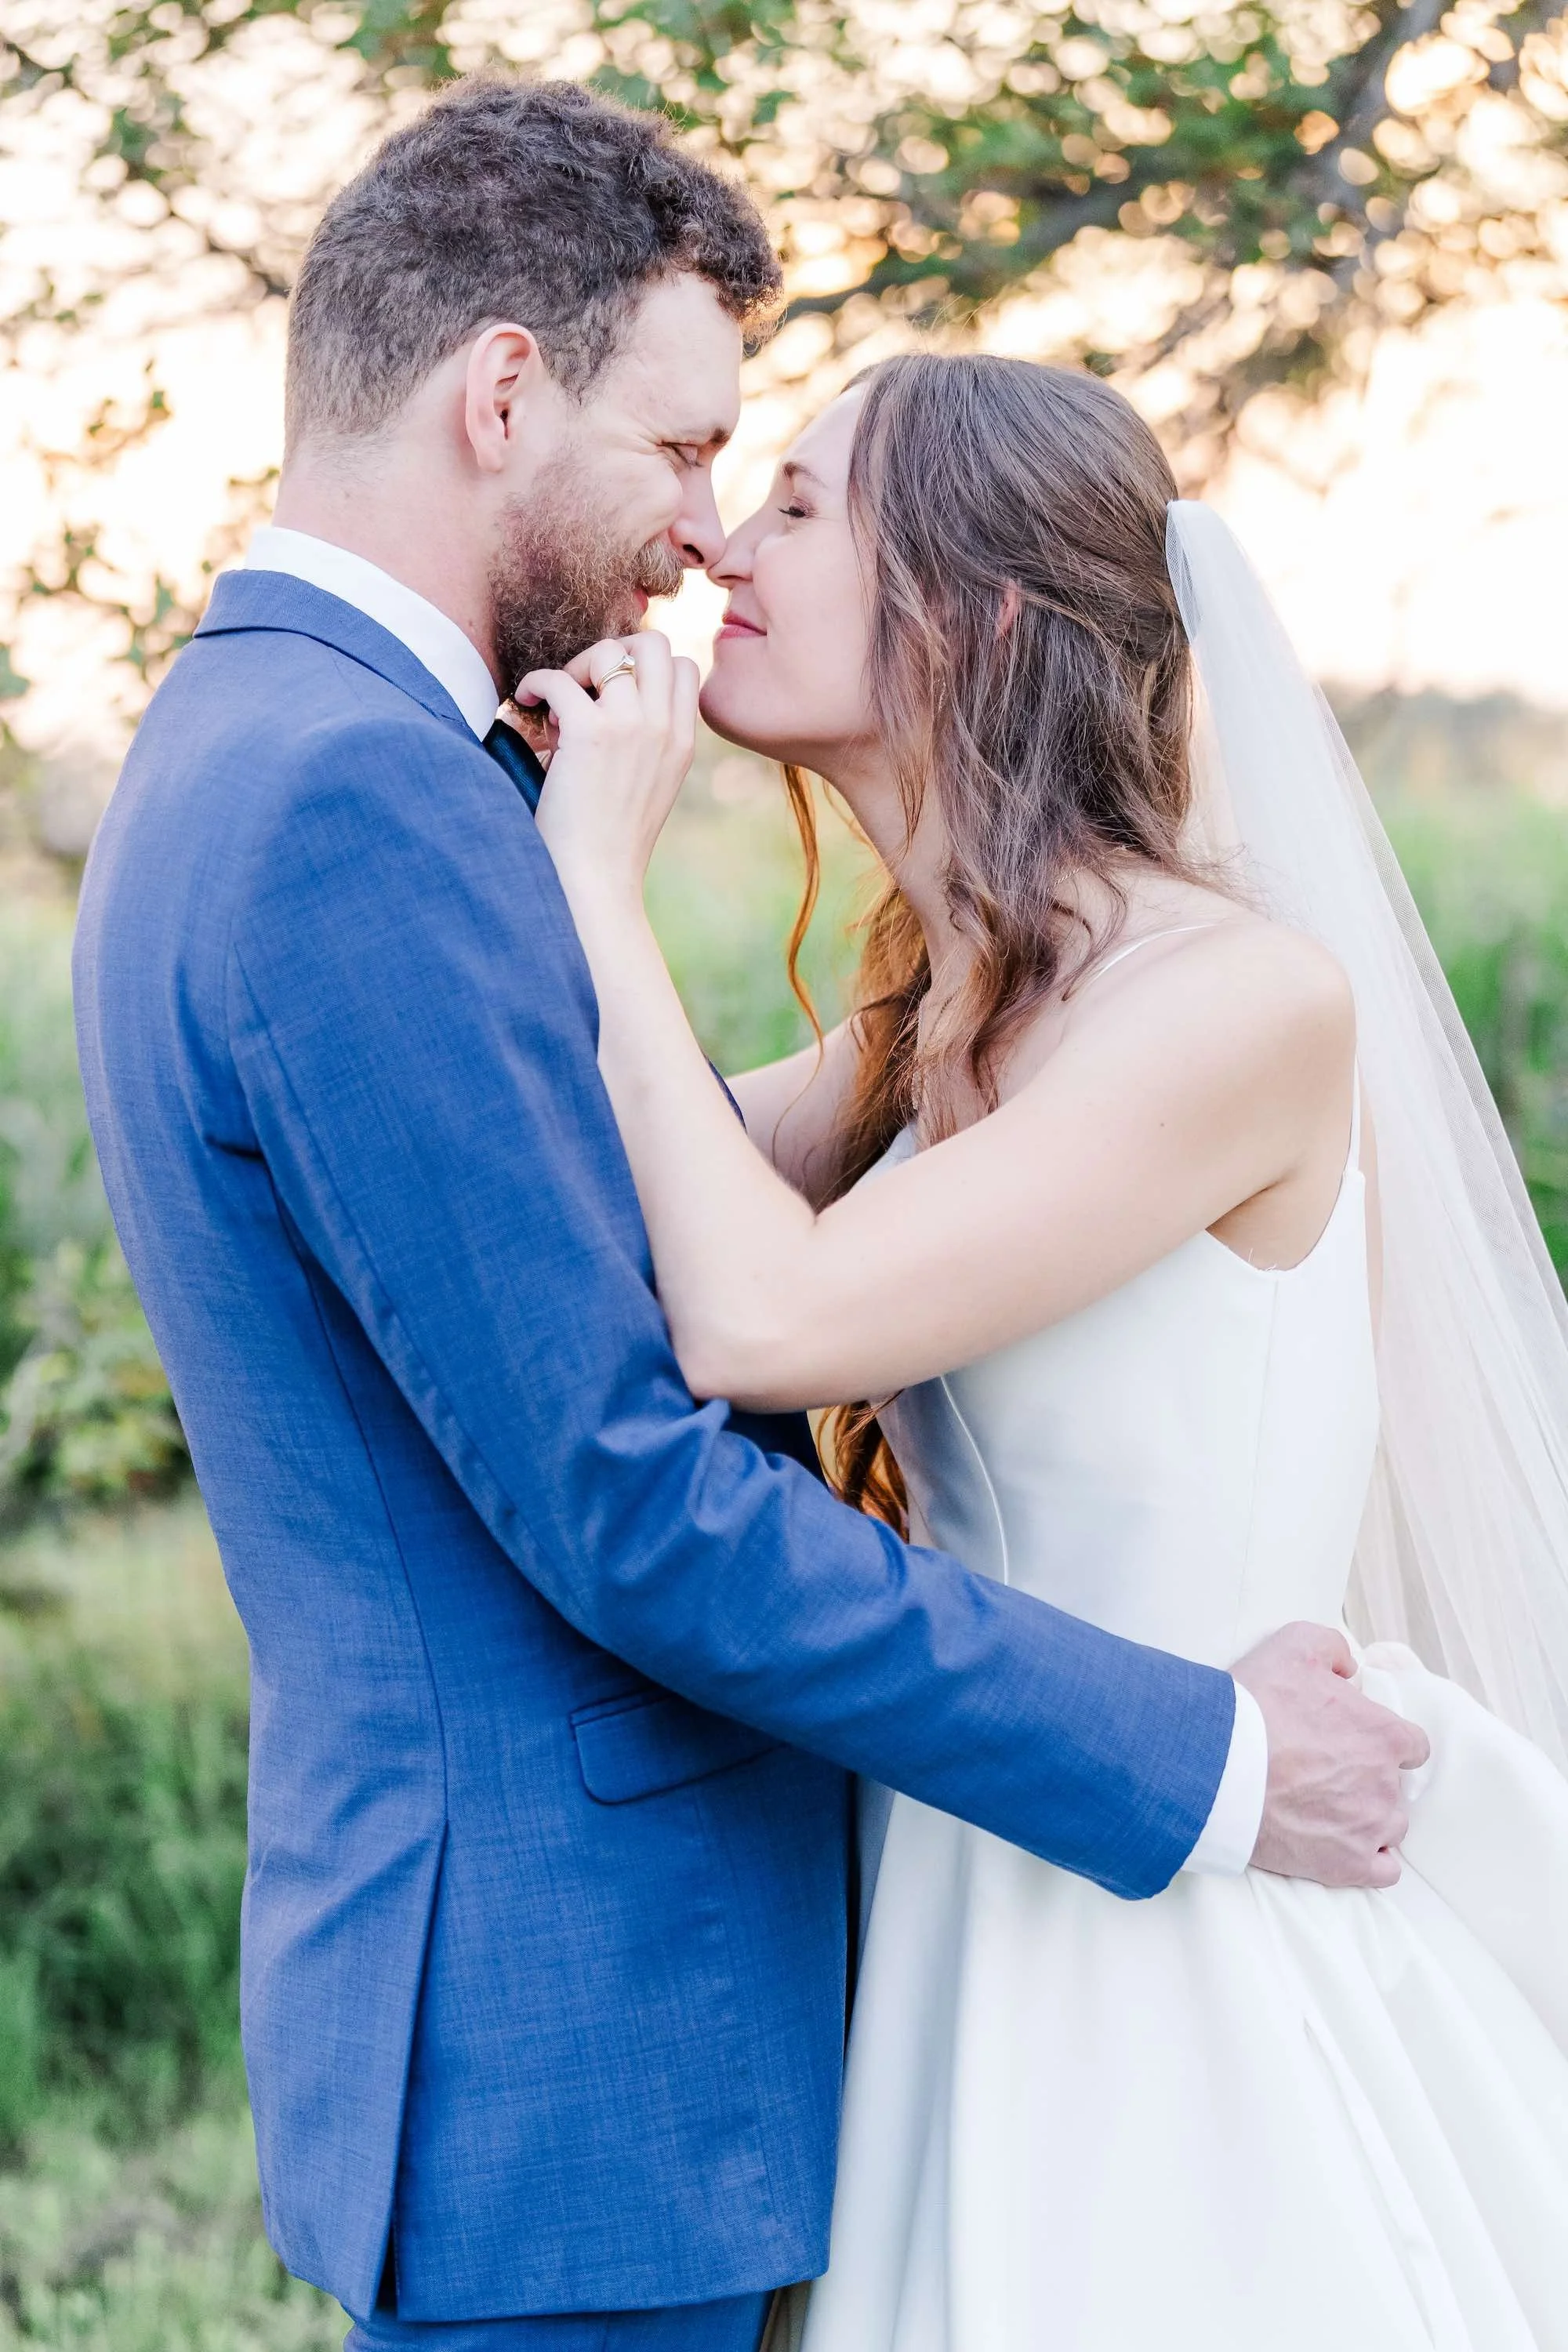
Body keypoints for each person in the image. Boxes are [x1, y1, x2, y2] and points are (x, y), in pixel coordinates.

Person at [72, 76, 1417, 2352]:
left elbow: (654, 1226)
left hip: (749, 2016)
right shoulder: (361, 805)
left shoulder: (309, 757)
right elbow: (632, 1487)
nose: (706, 539)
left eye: (767, 489)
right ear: (505, 392)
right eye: (698, 454)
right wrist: (1207, 1753)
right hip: (581, 2040)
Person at [524, 352, 1568, 2350]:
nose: (721, 546)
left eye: (804, 506)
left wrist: (596, 877)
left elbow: (759, 1314)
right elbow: (622, 1188)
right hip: (980, 1843)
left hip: (1189, 1894)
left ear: (978, 612)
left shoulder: (1227, 998)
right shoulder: (962, 1009)